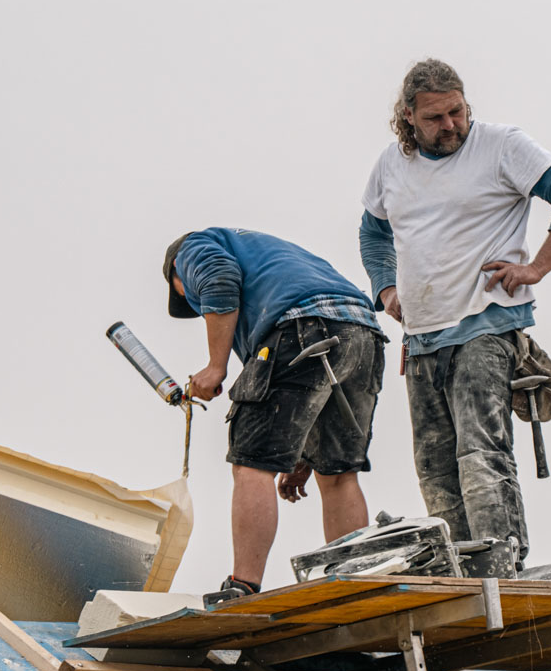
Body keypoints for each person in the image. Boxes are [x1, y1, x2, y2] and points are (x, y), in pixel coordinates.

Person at [357, 59, 551, 576]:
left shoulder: (502, 145)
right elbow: (373, 233)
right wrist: (387, 288)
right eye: (436, 118)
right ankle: (460, 568)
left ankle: (500, 559)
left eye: (457, 112)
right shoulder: (390, 166)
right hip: (421, 336)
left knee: (480, 451)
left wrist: (535, 268)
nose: (450, 126)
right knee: (435, 464)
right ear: (408, 118)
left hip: (486, 323)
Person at [166, 228, 387, 605]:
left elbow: (218, 279)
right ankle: (353, 587)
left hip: (300, 326)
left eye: (184, 293)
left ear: (175, 274)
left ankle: (243, 586)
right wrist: (303, 456)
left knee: (253, 464)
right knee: (336, 472)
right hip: (362, 333)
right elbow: (307, 393)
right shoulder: (279, 255)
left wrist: (215, 367)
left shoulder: (194, 247)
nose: (195, 302)